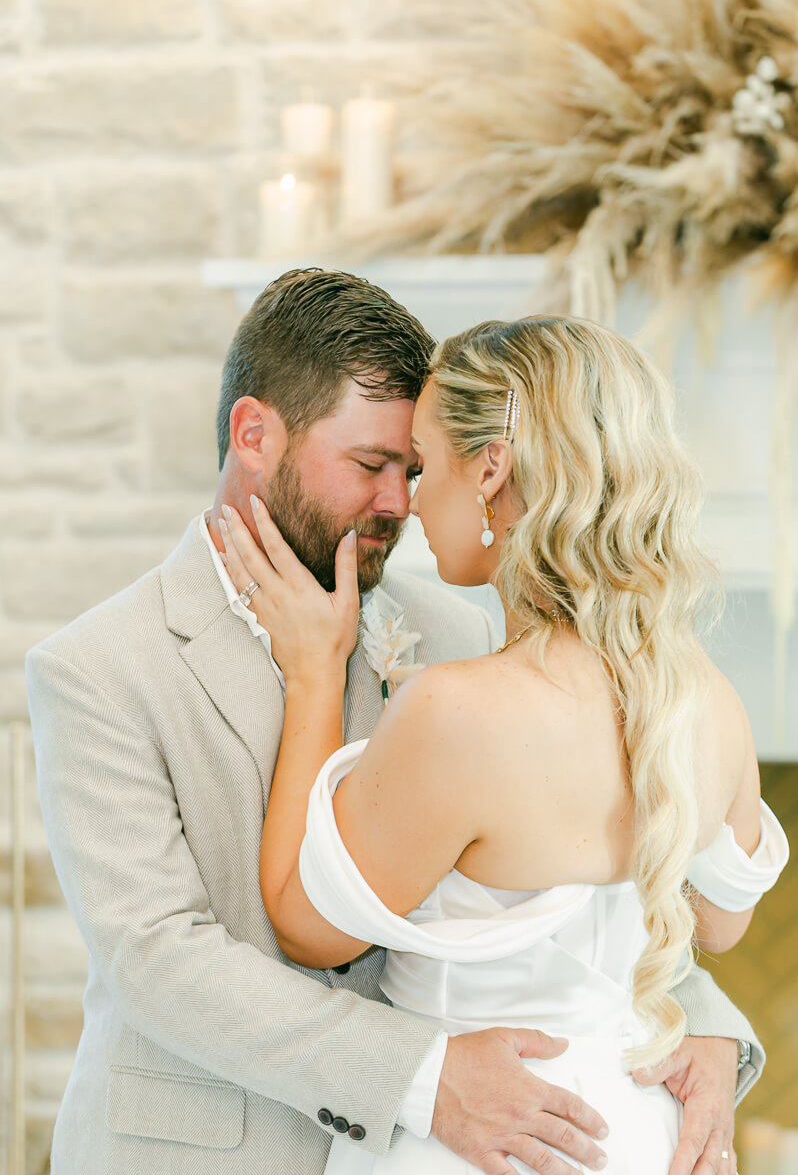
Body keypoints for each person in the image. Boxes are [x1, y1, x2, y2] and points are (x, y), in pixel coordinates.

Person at [25, 271, 767, 1175]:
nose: (400, 504)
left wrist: (709, 1031)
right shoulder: (99, 668)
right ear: (253, 433)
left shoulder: (463, 632)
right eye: (372, 465)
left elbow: (566, 885)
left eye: (414, 469)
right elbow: (157, 959)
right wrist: (423, 1076)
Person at [217, 310, 789, 1175]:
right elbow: (721, 920)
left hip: (478, 1144)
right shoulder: (704, 701)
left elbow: (305, 926)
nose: (407, 500)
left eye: (424, 463)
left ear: (490, 467)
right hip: (638, 1137)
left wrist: (314, 678)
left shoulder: (457, 713)